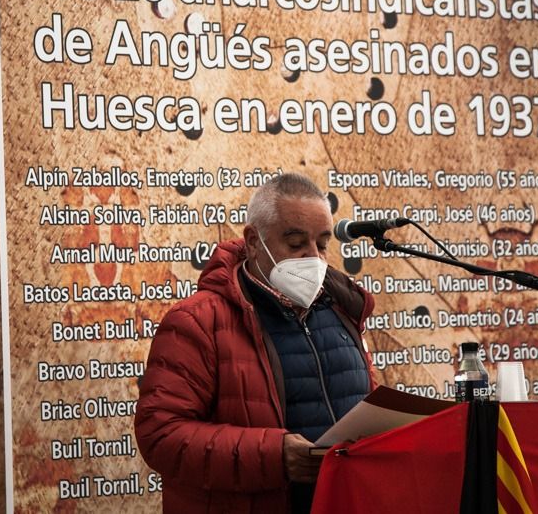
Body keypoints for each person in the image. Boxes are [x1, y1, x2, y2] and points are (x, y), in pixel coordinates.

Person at [135, 173, 376, 513]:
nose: (314, 259)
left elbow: (364, 401)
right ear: (252, 241)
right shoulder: (198, 321)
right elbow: (160, 435)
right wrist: (274, 456)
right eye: (295, 244)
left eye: (321, 244)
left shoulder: (341, 310)